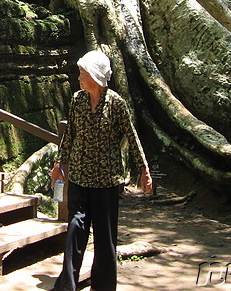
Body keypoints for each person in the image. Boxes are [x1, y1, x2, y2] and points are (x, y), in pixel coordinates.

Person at [51, 49, 153, 291]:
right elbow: (70, 136)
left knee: (105, 239)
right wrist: (59, 164)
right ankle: (68, 285)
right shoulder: (77, 100)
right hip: (79, 177)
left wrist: (143, 168)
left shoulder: (116, 103)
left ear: (95, 76)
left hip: (106, 181)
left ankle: (104, 286)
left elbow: (132, 136)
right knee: (76, 229)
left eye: (82, 73)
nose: (78, 77)